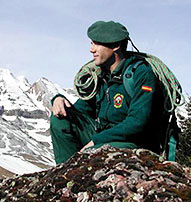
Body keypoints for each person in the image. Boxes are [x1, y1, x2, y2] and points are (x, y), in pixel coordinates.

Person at [50, 21, 171, 164]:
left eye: (97, 44)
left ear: (115, 46)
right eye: (91, 43)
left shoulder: (141, 74)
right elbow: (81, 110)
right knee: (60, 119)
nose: (91, 49)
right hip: (103, 137)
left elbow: (137, 122)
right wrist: (58, 99)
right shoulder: (101, 76)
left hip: (132, 142)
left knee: (93, 155)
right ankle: (65, 173)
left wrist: (96, 140)